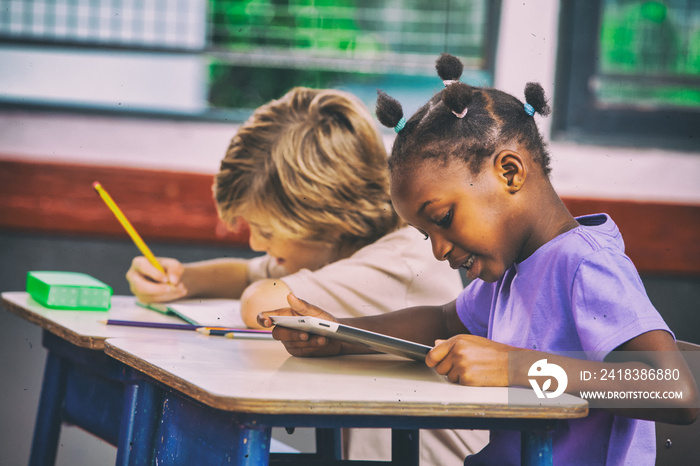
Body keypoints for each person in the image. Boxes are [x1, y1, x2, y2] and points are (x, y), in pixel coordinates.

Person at [258, 55, 699, 465]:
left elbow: (674, 390)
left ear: (510, 172)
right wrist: (341, 334)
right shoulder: (512, 274)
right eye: (424, 234)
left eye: (444, 218)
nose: (438, 250)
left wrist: (515, 367)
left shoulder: (585, 265)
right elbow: (444, 324)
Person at [126, 86, 489, 465]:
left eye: (265, 231)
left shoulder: (402, 260)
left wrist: (241, 285)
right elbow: (248, 272)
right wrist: (182, 277)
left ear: (321, 220)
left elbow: (260, 301)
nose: (253, 243)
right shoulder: (343, 251)